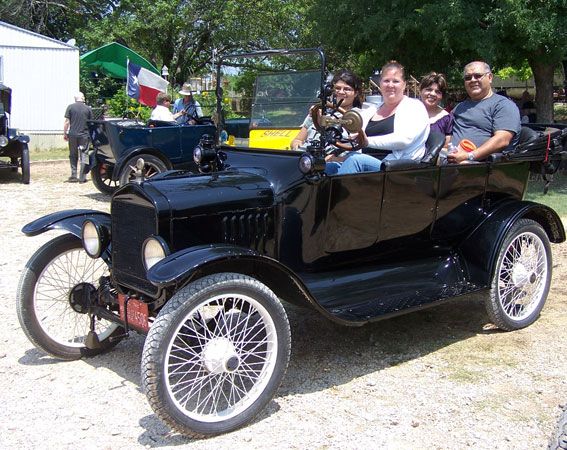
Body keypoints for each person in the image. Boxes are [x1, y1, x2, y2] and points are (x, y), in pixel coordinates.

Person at [328, 61, 429, 174]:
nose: (390, 85)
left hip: (395, 168)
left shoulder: (414, 107)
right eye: (386, 81)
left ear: (404, 84)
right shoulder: (372, 110)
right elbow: (351, 134)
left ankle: (340, 186)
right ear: (380, 83)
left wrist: (367, 141)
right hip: (366, 162)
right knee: (326, 167)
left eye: (395, 81)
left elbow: (404, 140)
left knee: (355, 160)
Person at [447, 61, 521, 164]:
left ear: (490, 77)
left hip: (481, 164)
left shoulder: (503, 105)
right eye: (468, 78)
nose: (473, 80)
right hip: (449, 158)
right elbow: (446, 132)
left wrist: (469, 156)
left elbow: (502, 140)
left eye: (478, 76)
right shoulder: (459, 107)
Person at [290, 69, 366, 150]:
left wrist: (323, 125)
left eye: (347, 89)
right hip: (306, 153)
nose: (341, 92)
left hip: (334, 155)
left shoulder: (358, 116)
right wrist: (297, 145)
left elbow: (357, 144)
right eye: (337, 88)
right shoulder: (318, 110)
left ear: (356, 93)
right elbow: (297, 140)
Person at [63, 92, 92, 183]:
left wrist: (65, 133)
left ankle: (74, 175)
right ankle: (82, 177)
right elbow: (90, 123)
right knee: (84, 155)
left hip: (73, 135)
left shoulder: (70, 107)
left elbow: (67, 122)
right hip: (84, 135)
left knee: (73, 155)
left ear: (75, 99)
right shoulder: (88, 108)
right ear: (82, 98)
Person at [419, 72, 453, 144]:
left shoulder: (447, 119)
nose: (433, 94)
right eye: (429, 89)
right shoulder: (408, 110)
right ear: (420, 90)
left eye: (438, 92)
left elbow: (447, 145)